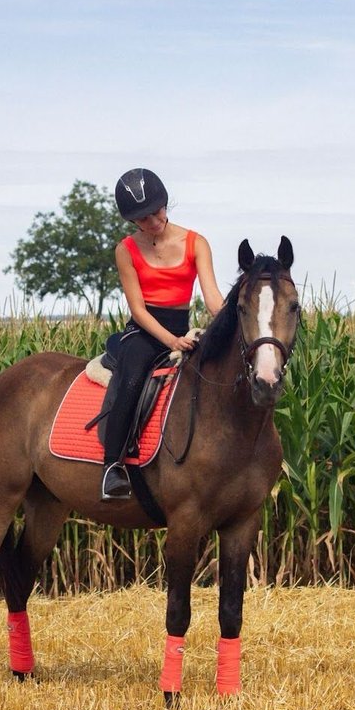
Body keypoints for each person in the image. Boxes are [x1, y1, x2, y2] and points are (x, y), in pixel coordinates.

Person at [101, 167, 224, 500]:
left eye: (156, 212)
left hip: (181, 328)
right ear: (132, 221)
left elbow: (212, 298)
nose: (152, 222)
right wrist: (170, 341)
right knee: (131, 378)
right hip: (144, 332)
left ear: (165, 204)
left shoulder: (197, 243)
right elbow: (138, 310)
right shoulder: (125, 250)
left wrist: (232, 322)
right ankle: (113, 466)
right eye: (142, 219)